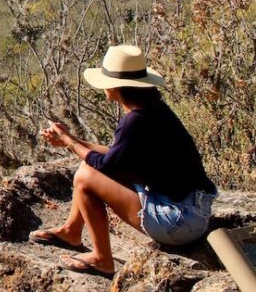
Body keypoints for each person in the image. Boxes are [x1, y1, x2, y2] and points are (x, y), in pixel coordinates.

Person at [29, 44, 217, 278]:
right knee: (87, 166)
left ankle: (102, 259)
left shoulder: (135, 120)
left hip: (177, 222)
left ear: (116, 86)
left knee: (85, 176)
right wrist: (73, 140)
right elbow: (115, 156)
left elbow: (106, 165)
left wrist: (69, 141)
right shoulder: (152, 110)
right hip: (193, 213)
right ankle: (71, 231)